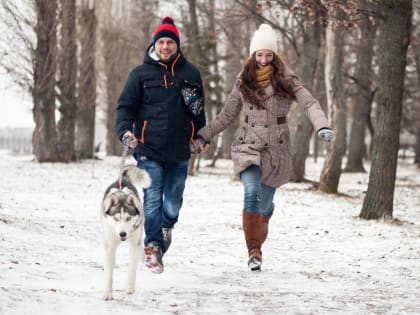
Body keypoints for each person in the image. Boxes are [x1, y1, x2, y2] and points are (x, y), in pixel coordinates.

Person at [195, 24, 335, 271]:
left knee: (262, 206)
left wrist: (321, 126)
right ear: (252, 55)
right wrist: (203, 136)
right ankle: (254, 252)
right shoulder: (243, 81)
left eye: (268, 54)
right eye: (259, 54)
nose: (263, 60)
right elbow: (227, 115)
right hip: (248, 145)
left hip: (276, 150)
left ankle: (265, 214)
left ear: (275, 55)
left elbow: (310, 103)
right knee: (251, 192)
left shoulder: (287, 80)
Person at [115, 16, 206, 274]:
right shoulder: (140, 74)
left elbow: (198, 111)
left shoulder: (191, 74)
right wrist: (124, 132)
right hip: (148, 149)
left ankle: (168, 225)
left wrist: (202, 136)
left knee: (173, 200)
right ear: (154, 44)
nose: (165, 46)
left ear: (177, 44)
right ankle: (153, 246)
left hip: (180, 149)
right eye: (161, 42)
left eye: (170, 42)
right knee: (152, 197)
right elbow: (125, 108)